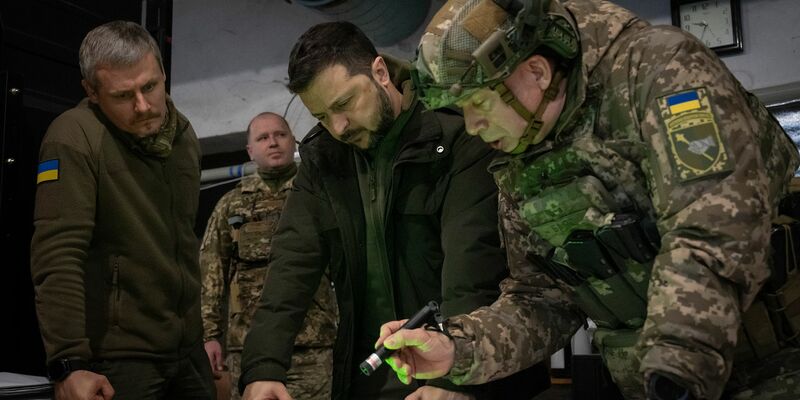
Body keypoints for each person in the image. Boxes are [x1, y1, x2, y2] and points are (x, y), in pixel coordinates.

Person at [376, 0, 800, 399]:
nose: (472, 126)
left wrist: (675, 369)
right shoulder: (521, 152)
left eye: (479, 103)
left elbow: (711, 227)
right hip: (653, 383)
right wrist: (456, 349)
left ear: (537, 72)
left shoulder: (658, 71)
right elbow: (542, 298)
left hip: (771, 368)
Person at [239, 21, 549, 400]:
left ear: (380, 72)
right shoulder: (324, 158)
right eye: (321, 116)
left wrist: (452, 379)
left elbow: (472, 267)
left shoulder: (455, 134)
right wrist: (263, 367)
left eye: (344, 104)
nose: (338, 127)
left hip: (466, 375)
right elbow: (291, 263)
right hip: (371, 379)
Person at [30, 21, 214, 399]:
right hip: (119, 359)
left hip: (188, 352)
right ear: (92, 92)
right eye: (123, 95)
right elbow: (58, 253)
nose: (143, 106)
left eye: (150, 87)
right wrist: (69, 362)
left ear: (163, 73)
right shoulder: (73, 136)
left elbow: (185, 243)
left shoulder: (184, 137)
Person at [200, 112, 338, 400]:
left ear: (293, 141)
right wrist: (210, 335)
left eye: (280, 135)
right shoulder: (231, 205)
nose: (273, 142)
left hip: (312, 342)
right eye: (263, 138)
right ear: (250, 151)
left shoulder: (319, 195)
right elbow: (211, 272)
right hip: (249, 345)